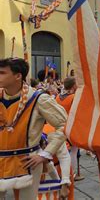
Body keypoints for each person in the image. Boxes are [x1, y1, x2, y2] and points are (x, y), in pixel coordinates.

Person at [0, 58, 67, 199]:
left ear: (18, 76)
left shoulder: (39, 99)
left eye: (2, 73)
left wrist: (45, 154)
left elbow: (64, 124)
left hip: (27, 161)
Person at [55, 77, 83, 182]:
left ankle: (63, 173)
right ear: (73, 85)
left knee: (63, 152)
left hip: (59, 127)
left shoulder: (57, 96)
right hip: (71, 127)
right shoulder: (74, 97)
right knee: (73, 152)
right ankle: (72, 174)